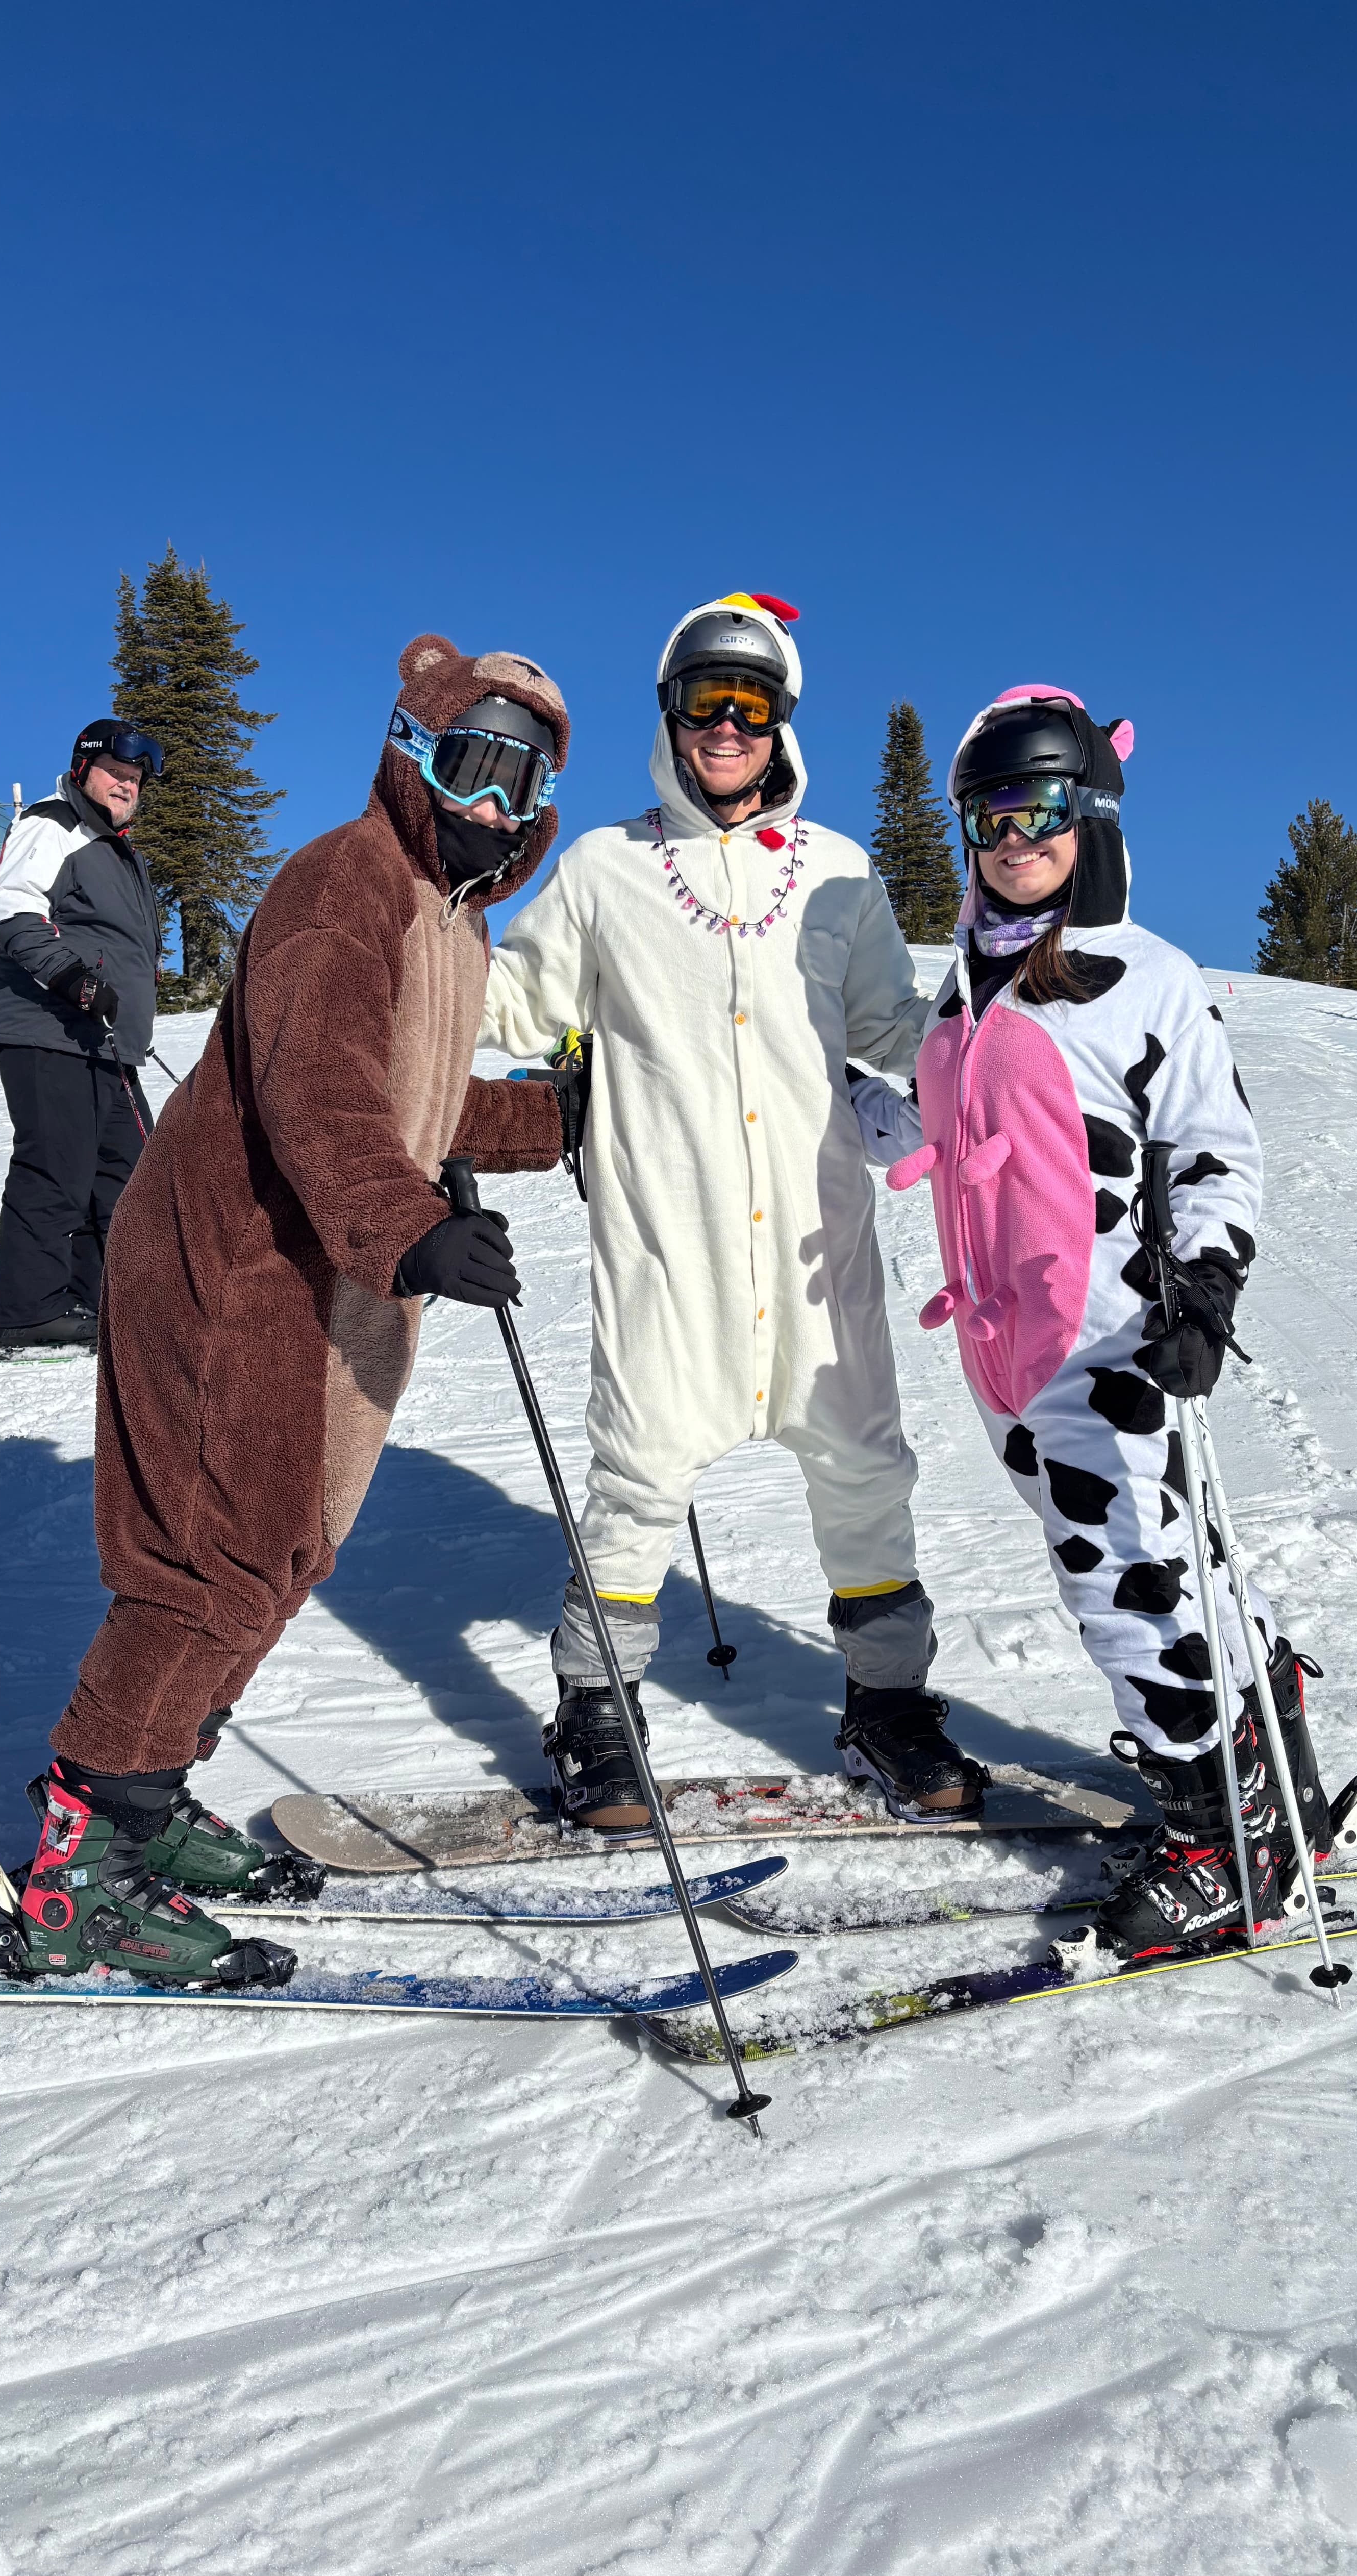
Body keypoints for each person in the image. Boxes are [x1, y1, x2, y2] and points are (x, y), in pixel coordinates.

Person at [8, 637, 570, 1986]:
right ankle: (82, 1867)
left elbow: (412, 1100)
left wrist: (560, 1121)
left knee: (278, 1552)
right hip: (227, 1257)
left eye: (525, 773)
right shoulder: (348, 884)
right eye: (477, 760)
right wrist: (413, 1230)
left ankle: (154, 1799)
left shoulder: (450, 917)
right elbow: (319, 1096)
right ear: (416, 746)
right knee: (206, 1563)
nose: (495, 798)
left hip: (306, 1275)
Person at [852, 684, 1357, 1955]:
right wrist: (801, 1095)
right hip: (1002, 1352)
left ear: (1091, 814)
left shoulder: (1144, 980)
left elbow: (1212, 1146)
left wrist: (1205, 1284)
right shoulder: (964, 999)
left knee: (1124, 1579)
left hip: (1107, 1343)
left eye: (1039, 809)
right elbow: (923, 1129)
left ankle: (1219, 1842)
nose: (1012, 837)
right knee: (1169, 1563)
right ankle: (1262, 1741)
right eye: (987, 814)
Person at [478, 592, 986, 1835]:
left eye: (751, 707)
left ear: (782, 724)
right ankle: (596, 1718)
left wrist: (1005, 1034)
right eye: (706, 700)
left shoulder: (838, 873)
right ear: (669, 713)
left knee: (863, 1467)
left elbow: (891, 1029)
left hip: (818, 1245)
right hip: (669, 1246)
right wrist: (418, 918)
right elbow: (504, 1005)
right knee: (638, 1474)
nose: (727, 727)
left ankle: (885, 1703)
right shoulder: (604, 868)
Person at [0, 721, 166, 1349]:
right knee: (57, 1168)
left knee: (127, 1175)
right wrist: (75, 980)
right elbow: (14, 911)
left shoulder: (115, 848)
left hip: (103, 1042)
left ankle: (104, 1296)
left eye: (136, 779)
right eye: (117, 772)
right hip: (47, 1029)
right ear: (84, 769)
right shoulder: (53, 826)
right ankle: (29, 1311)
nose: (127, 785)